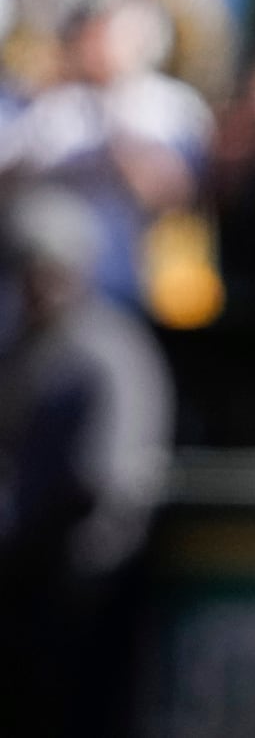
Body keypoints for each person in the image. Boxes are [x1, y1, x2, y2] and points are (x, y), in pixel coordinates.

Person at [0, 187, 173, 738]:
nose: (36, 286)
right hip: (28, 584)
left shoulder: (108, 350)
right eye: (25, 270)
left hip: (90, 583)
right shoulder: (25, 347)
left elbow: (111, 479)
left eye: (48, 270)